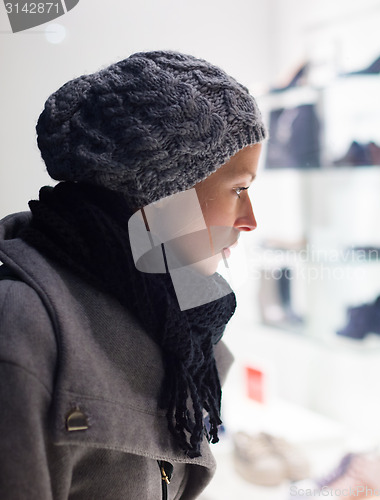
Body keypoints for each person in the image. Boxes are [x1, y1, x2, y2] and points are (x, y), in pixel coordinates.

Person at [0, 50, 266, 499]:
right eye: (238, 189)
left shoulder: (176, 324)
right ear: (161, 189)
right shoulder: (24, 327)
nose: (250, 219)